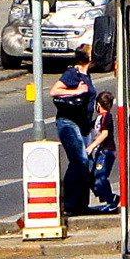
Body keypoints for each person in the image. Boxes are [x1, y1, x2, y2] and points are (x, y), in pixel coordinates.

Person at [50, 44, 97, 216]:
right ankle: (69, 203)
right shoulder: (73, 73)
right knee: (80, 161)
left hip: (84, 125)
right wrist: (76, 91)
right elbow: (54, 91)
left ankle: (81, 205)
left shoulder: (87, 75)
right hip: (69, 123)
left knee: (87, 164)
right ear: (88, 58)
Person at [87, 91, 119, 213]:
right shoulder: (99, 118)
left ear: (98, 104)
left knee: (100, 175)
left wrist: (92, 146)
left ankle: (111, 202)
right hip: (100, 152)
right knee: (94, 177)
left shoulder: (107, 117)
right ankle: (110, 197)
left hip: (107, 151)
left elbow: (104, 134)